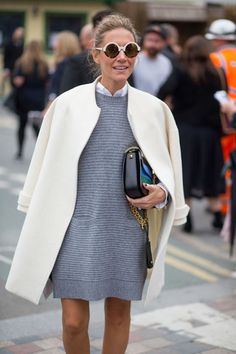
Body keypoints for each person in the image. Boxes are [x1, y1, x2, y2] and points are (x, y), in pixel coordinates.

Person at [5, 14, 189, 354]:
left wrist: (162, 193)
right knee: (74, 322)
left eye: (130, 49)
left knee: (119, 316)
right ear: (96, 55)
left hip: (127, 228)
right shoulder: (67, 105)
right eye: (113, 49)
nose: (122, 56)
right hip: (73, 227)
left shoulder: (154, 110)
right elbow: (43, 164)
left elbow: (171, 173)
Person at [159, 35, 225, 233]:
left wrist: (172, 109)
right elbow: (221, 100)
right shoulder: (216, 72)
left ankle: (188, 219)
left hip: (185, 129)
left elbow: (162, 92)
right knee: (211, 171)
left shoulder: (179, 70)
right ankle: (217, 213)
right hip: (209, 131)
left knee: (186, 170)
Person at [206, 19, 236, 215]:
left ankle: (226, 206)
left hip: (226, 116)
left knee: (227, 159)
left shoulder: (215, 59)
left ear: (217, 39)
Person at [59, 9, 113, 93]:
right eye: (106, 28)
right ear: (95, 31)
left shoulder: (124, 60)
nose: (112, 33)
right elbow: (67, 95)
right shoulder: (77, 62)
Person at [12, 40, 49, 159]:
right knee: (37, 127)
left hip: (24, 98)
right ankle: (41, 152)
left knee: (22, 125)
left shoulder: (22, 63)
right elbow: (48, 81)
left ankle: (20, 151)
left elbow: (16, 81)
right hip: (38, 98)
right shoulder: (44, 64)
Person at [131, 26, 173, 96]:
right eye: (150, 40)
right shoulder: (134, 59)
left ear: (163, 43)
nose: (153, 44)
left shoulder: (167, 62)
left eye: (157, 41)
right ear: (144, 40)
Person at [46, 31, 80, 104]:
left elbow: (56, 86)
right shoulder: (62, 62)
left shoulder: (65, 64)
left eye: (57, 41)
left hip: (59, 103)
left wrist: (49, 103)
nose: (54, 44)